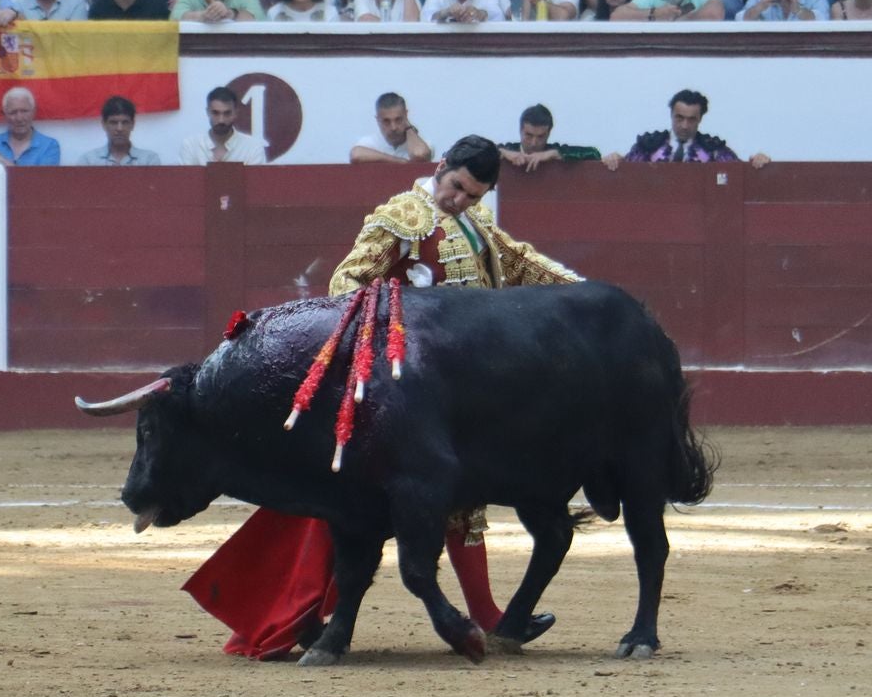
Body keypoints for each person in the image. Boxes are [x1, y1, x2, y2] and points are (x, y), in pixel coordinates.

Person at [185, 135, 577, 661]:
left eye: (474, 195)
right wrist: (406, 308)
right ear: (442, 168)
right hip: (402, 390)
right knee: (362, 508)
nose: (461, 200)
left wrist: (587, 299)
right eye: (458, 187)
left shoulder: (476, 223)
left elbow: (521, 261)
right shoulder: (401, 216)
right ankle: (307, 614)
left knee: (466, 504)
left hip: (461, 387)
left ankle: (486, 617)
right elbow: (346, 282)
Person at [603, 89, 771, 169]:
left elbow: (739, 173)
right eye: (679, 118)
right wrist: (616, 159)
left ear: (700, 119)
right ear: (671, 115)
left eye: (691, 119)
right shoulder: (649, 145)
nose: (684, 125)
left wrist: (758, 161)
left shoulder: (713, 149)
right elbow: (626, 171)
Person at [498, 103, 608, 172]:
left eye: (540, 137)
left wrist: (553, 154)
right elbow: (484, 150)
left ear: (549, 133)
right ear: (520, 130)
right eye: (529, 135)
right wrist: (503, 152)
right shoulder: (509, 149)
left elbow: (594, 153)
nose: (534, 143)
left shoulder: (555, 152)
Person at [179, 86, 267, 165]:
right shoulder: (191, 145)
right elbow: (186, 182)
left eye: (227, 113)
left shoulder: (253, 148)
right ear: (208, 112)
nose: (221, 120)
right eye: (215, 113)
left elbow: (255, 183)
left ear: (235, 113)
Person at [0, 87, 62, 166]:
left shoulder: (49, 146)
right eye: (13, 112)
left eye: (24, 111)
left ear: (34, 112)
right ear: (4, 115)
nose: (19, 118)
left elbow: (43, 180)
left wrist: (0, 160)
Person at [76, 95, 162, 165]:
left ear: (133, 124)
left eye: (125, 122)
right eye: (113, 122)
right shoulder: (88, 161)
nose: (119, 128)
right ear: (104, 124)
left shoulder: (149, 160)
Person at [350, 91, 432, 163]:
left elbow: (420, 154)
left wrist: (409, 128)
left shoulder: (421, 144)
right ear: (378, 119)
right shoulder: (369, 143)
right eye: (386, 121)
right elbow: (355, 155)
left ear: (406, 115)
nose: (393, 127)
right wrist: (398, 161)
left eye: (398, 119)